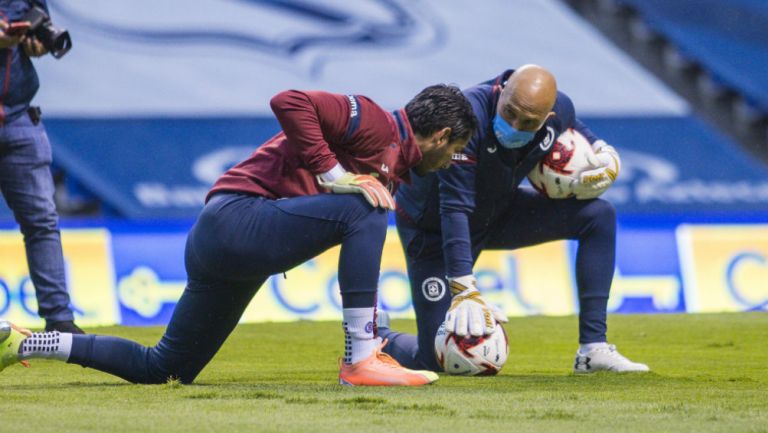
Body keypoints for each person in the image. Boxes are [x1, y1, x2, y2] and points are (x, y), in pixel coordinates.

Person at [0, 84, 478, 386]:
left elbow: (360, 254)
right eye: (455, 148)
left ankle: (23, 343)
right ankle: (359, 360)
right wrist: (332, 173)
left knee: (163, 369)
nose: (452, 160)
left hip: (227, 245)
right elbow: (289, 101)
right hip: (235, 221)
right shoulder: (376, 121)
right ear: (439, 135)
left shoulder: (392, 158)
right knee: (367, 206)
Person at [378, 65, 649, 374]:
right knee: (435, 360)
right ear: (501, 90)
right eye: (509, 113)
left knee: (598, 216)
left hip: (499, 211)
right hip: (434, 232)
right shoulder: (464, 122)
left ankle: (593, 350)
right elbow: (454, 209)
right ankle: (381, 335)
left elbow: (574, 124)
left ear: (547, 118)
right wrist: (464, 288)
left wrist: (603, 151)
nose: (515, 124)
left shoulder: (560, 110)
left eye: (528, 122)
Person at [0, 0, 82, 334]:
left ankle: (60, 322)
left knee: (43, 221)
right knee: (41, 223)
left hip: (19, 117)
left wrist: (35, 45)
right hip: (18, 120)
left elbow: (37, 18)